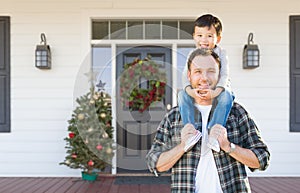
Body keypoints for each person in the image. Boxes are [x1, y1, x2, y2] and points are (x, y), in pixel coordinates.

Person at [146, 48, 270, 193]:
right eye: (198, 71)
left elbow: (262, 160)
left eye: (211, 71)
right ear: (189, 76)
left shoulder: (236, 112)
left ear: (219, 76)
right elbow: (155, 163)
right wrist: (182, 147)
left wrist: (228, 146)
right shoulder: (174, 116)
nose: (204, 78)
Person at [178, 14, 233, 152]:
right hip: (198, 89)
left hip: (218, 91)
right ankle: (190, 131)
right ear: (194, 36)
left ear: (218, 38)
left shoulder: (221, 53)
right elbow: (186, 76)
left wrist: (216, 91)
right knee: (181, 95)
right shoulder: (192, 53)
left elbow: (224, 75)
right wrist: (190, 91)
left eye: (209, 36)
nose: (204, 40)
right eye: (200, 35)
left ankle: (214, 133)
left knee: (227, 96)